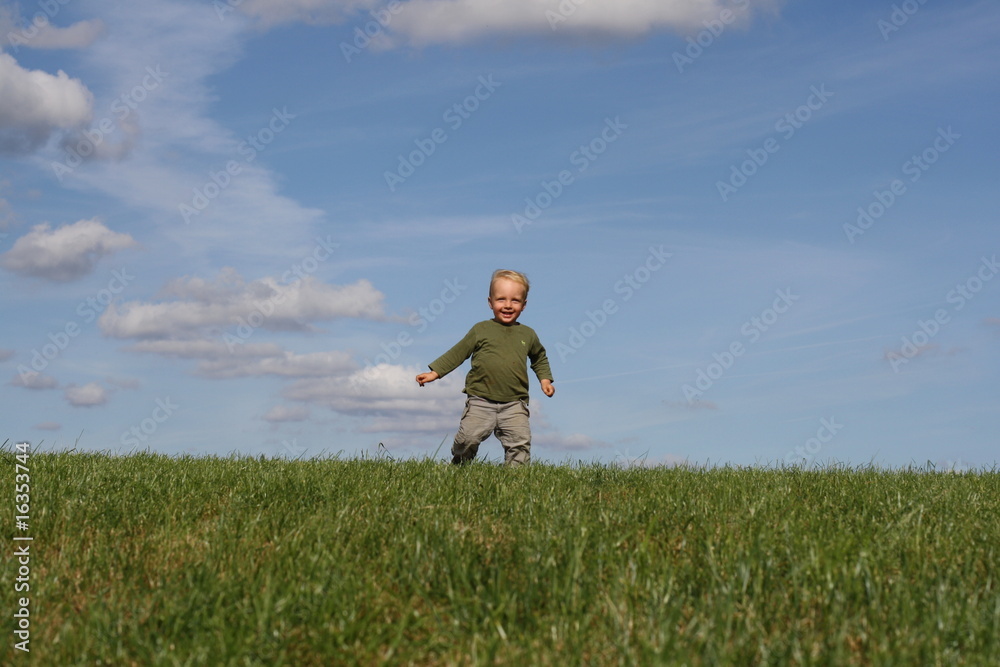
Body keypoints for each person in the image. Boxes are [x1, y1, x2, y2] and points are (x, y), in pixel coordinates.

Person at [415, 269, 555, 467]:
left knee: (520, 443)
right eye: (501, 299)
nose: (507, 305)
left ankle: (517, 481)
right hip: (480, 400)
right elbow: (458, 352)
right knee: (468, 439)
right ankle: (460, 466)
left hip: (515, 403)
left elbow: (539, 358)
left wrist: (545, 380)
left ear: (524, 305)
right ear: (490, 302)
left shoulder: (528, 334)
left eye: (515, 300)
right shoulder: (481, 330)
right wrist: (434, 373)